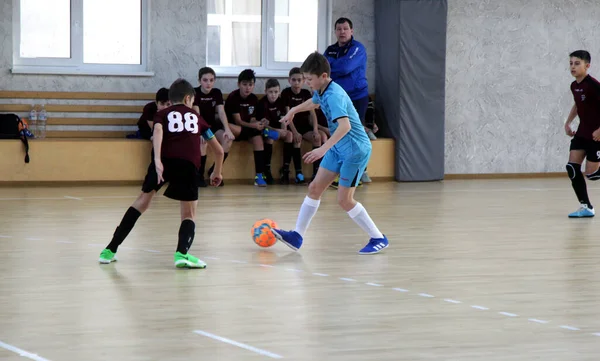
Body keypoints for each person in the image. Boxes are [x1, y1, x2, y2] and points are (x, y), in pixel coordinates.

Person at [98, 78, 225, 268]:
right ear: (189, 98)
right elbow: (219, 150)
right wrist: (217, 172)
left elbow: (157, 131)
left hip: (164, 162)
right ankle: (182, 254)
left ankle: (109, 250)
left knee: (141, 202)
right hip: (188, 164)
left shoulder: (162, 114)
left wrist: (157, 159)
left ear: (171, 99)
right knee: (189, 213)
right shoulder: (196, 118)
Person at [272, 51, 388, 254]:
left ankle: (378, 237)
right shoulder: (323, 90)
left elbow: (345, 127)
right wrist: (293, 111)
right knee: (314, 188)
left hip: (355, 150)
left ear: (323, 76)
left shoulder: (334, 95)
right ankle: (297, 236)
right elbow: (314, 102)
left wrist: (322, 149)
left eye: (309, 79)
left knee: (344, 200)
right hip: (338, 146)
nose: (307, 83)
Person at [325, 17, 373, 185]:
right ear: (335, 31)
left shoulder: (358, 48)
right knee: (340, 132)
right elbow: (325, 71)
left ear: (351, 31)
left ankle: (360, 172)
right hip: (338, 98)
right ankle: (344, 171)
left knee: (353, 133)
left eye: (345, 28)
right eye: (339, 29)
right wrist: (336, 66)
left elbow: (345, 68)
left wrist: (334, 66)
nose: (342, 32)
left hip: (356, 97)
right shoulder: (330, 50)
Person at [225, 69, 278, 186]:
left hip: (248, 129)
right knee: (231, 127)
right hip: (235, 130)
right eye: (244, 84)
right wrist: (254, 126)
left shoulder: (254, 99)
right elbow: (238, 121)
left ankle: (259, 176)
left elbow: (253, 118)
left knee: (258, 140)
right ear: (239, 84)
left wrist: (260, 122)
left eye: (250, 85)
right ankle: (264, 132)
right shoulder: (233, 97)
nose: (247, 88)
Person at [564, 50, 600, 218]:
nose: (573, 67)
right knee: (572, 168)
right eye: (571, 63)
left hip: (596, 135)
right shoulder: (574, 86)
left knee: (592, 175)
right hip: (581, 134)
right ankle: (586, 207)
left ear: (587, 66)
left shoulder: (593, 85)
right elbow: (578, 105)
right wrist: (568, 122)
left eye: (577, 63)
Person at [281, 67, 328, 183]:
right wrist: (295, 132)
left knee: (317, 138)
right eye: (294, 80)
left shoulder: (306, 93)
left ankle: (316, 173)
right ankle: (298, 173)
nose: (296, 83)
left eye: (299, 80)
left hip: (305, 127)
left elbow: (313, 114)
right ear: (289, 80)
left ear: (303, 81)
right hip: (293, 127)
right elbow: (288, 115)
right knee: (296, 140)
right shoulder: (286, 93)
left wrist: (315, 130)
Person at [193, 67, 237, 187]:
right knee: (203, 142)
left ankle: (215, 171)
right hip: (201, 127)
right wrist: (200, 132)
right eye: (205, 80)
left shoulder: (216, 92)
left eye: (211, 80)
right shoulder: (195, 92)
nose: (208, 83)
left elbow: (221, 112)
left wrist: (227, 129)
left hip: (213, 126)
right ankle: (199, 176)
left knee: (227, 140)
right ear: (199, 81)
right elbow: (197, 115)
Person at [256, 79, 295, 184]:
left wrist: (284, 130)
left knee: (289, 135)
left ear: (279, 92)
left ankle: (285, 169)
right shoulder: (262, 103)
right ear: (266, 91)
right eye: (271, 92)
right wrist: (278, 130)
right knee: (270, 136)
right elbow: (263, 124)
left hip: (278, 129)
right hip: (267, 130)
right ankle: (267, 169)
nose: (273, 95)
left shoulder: (281, 101)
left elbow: (284, 118)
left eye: (276, 92)